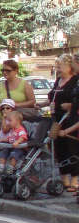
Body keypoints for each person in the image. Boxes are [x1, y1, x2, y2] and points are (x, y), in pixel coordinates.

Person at [45, 54, 79, 192]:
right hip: (56, 117)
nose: (58, 68)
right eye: (57, 65)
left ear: (69, 66)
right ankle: (64, 179)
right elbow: (52, 97)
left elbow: (76, 102)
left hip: (70, 118)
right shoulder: (58, 80)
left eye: (60, 65)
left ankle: (75, 180)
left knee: (72, 148)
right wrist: (41, 104)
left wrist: (70, 105)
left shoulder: (75, 80)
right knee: (59, 149)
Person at [0, 59, 36, 131]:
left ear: (16, 71)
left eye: (8, 70)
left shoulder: (24, 84)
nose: (4, 72)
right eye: (3, 70)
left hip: (19, 125)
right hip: (3, 124)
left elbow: (32, 102)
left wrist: (15, 105)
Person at [0, 110, 28, 174]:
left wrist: (18, 142)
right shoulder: (12, 130)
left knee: (14, 155)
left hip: (19, 148)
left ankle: (11, 168)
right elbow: (10, 138)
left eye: (10, 121)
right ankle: (1, 167)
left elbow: (23, 137)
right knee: (3, 153)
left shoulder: (21, 129)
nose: (8, 123)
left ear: (17, 121)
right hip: (11, 147)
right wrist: (2, 139)